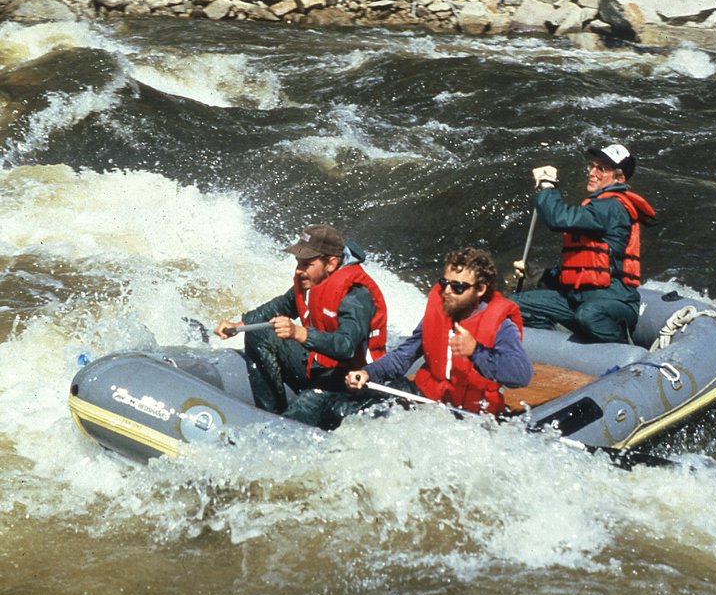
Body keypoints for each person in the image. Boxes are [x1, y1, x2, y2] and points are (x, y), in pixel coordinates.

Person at [214, 224, 387, 429]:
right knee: (259, 333)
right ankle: (270, 415)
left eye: (306, 263)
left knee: (287, 428)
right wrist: (240, 324)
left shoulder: (356, 294)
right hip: (320, 367)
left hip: (351, 382)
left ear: (331, 263)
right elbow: (282, 305)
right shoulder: (311, 280)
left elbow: (345, 345)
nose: (299, 270)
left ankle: (281, 427)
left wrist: (300, 333)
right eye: (297, 262)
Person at [346, 247, 533, 416]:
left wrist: (476, 351)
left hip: (472, 415)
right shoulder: (440, 310)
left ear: (480, 289)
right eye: (445, 283)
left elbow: (521, 375)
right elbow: (403, 357)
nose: (447, 291)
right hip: (428, 401)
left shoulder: (501, 325)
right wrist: (368, 373)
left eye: (458, 287)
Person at [511, 143, 657, 344]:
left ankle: (623, 348)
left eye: (602, 169)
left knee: (588, 315)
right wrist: (532, 273)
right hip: (577, 299)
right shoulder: (596, 206)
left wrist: (547, 186)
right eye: (592, 165)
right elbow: (580, 269)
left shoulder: (612, 207)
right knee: (513, 305)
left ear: (619, 178)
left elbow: (559, 218)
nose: (592, 172)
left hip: (614, 302)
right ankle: (564, 349)